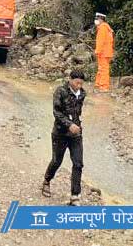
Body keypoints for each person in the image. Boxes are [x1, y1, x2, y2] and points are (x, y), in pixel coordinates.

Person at [42, 68, 86, 206]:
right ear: (70, 80)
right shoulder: (60, 91)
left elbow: (77, 112)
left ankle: (75, 196)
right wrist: (69, 125)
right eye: (77, 83)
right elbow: (56, 112)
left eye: (81, 83)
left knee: (78, 164)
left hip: (76, 134)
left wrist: (78, 124)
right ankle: (47, 181)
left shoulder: (82, 94)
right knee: (57, 161)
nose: (79, 86)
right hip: (60, 133)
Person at [93, 12, 115, 92]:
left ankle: (104, 87)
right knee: (101, 68)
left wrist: (97, 51)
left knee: (103, 69)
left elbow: (100, 41)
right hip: (107, 52)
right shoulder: (107, 27)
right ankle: (98, 84)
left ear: (101, 19)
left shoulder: (102, 28)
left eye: (97, 19)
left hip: (103, 53)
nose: (96, 20)